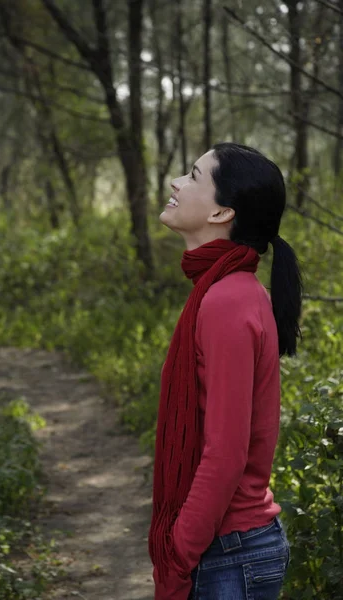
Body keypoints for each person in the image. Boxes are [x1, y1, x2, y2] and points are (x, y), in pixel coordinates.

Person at [148, 143, 303, 600]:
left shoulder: (227, 299)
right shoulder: (228, 289)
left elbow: (227, 452)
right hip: (231, 550)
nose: (176, 183)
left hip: (228, 555)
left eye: (193, 176)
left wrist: (178, 553)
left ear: (222, 213)